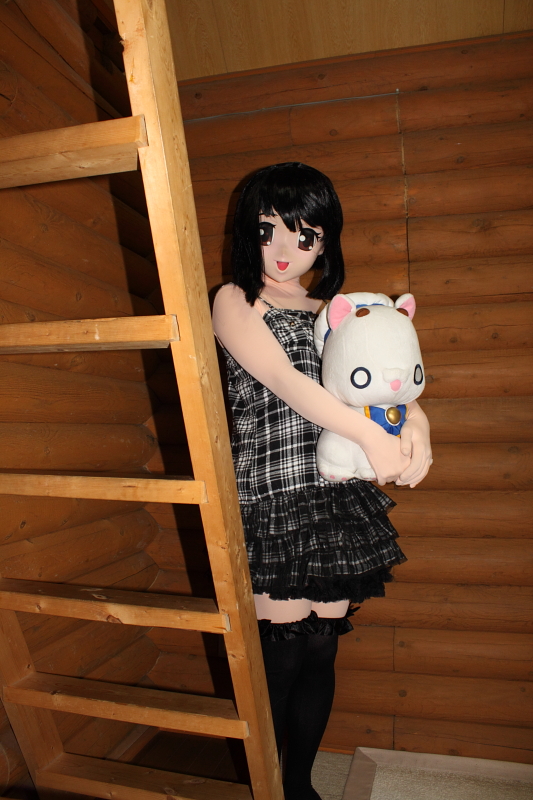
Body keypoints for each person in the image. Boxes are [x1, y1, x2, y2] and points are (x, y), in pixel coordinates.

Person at [212, 162, 431, 800]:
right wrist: (372, 437)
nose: (286, 249)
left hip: (334, 494)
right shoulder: (235, 300)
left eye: (305, 235)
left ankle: (300, 785)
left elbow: (390, 380)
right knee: (280, 655)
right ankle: (266, 784)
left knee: (320, 651)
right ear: (246, 231)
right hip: (270, 494)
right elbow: (286, 382)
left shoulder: (335, 310)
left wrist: (418, 426)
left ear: (324, 243)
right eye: (269, 230)